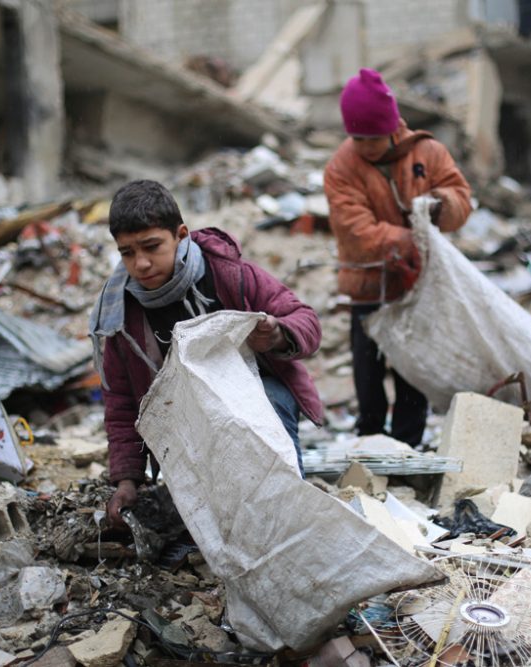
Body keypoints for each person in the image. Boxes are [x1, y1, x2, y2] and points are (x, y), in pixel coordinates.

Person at [91, 180, 324, 526]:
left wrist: (276, 333)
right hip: (186, 418)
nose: (140, 263)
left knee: (271, 412)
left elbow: (305, 319)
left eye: (152, 247)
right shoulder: (120, 316)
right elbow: (123, 403)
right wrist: (128, 480)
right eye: (127, 252)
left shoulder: (228, 275)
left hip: (259, 398)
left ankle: (291, 519)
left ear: (181, 235)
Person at [324, 68, 472, 446]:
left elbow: (460, 196)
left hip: (419, 284)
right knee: (368, 367)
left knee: (413, 367)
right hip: (368, 284)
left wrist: (442, 207)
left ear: (391, 127)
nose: (364, 146)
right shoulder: (342, 167)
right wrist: (413, 238)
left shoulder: (428, 153)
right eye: (356, 137)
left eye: (371, 138)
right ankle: (371, 438)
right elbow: (356, 232)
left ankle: (408, 442)